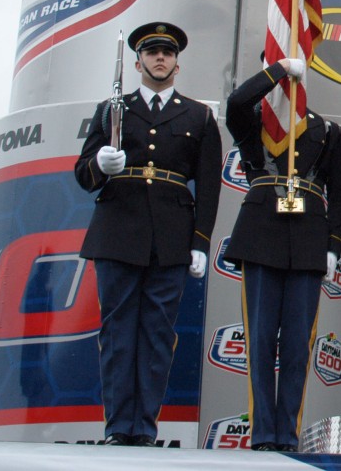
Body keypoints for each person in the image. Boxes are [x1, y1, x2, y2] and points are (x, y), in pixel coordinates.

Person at [75, 22, 222, 447]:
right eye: (152, 52)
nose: (160, 58)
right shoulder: (111, 109)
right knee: (118, 333)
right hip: (118, 231)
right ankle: (119, 427)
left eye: (168, 52)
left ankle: (144, 426)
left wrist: (200, 242)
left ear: (178, 63)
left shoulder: (199, 115)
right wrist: (100, 164)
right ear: (137, 61)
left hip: (172, 236)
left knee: (158, 335)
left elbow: (209, 186)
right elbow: (84, 175)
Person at [223, 56, 341, 452]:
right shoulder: (254, 121)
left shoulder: (326, 130)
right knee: (260, 341)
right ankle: (263, 434)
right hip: (261, 236)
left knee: (297, 345)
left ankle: (287, 433)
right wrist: (276, 68)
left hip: (309, 240)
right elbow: (235, 104)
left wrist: (332, 245)